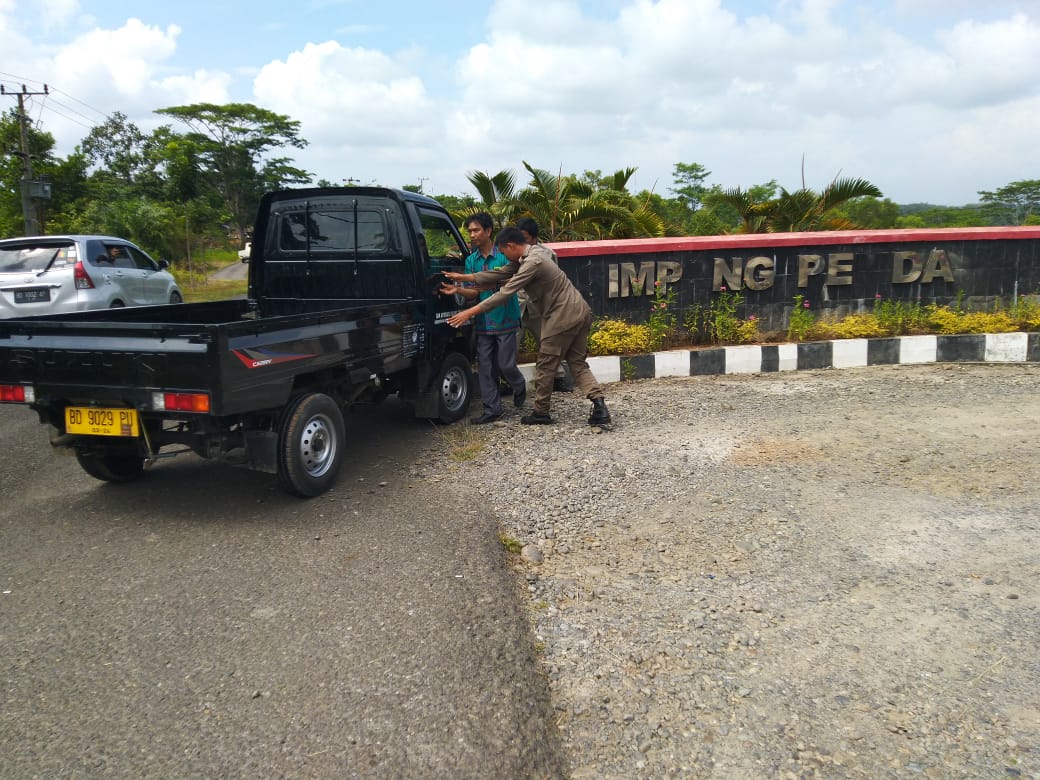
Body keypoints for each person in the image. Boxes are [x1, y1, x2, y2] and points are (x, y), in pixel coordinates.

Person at [443, 227, 611, 427]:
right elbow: (501, 273)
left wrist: (469, 312)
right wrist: (465, 278)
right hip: (580, 311)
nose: (504, 256)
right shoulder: (533, 254)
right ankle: (599, 405)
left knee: (546, 364)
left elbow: (506, 292)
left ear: (511, 246)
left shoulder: (533, 263)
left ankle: (541, 412)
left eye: (504, 252)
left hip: (561, 316)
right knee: (577, 363)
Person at [456, 212, 528, 424]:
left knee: (505, 365)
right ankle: (492, 409)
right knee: (485, 367)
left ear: (488, 231)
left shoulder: (505, 254)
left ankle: (519, 383)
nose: (472, 235)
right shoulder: (471, 260)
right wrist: (457, 290)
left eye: (476, 230)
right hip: (483, 320)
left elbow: (512, 281)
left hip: (505, 317)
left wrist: (489, 285)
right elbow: (473, 291)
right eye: (469, 231)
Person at [514, 217, 574, 393]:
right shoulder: (512, 251)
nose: (521, 241)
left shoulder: (547, 254)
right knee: (510, 347)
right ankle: (508, 382)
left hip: (538, 308)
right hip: (516, 306)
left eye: (524, 237)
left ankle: (558, 378)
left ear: (533, 237)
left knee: (549, 344)